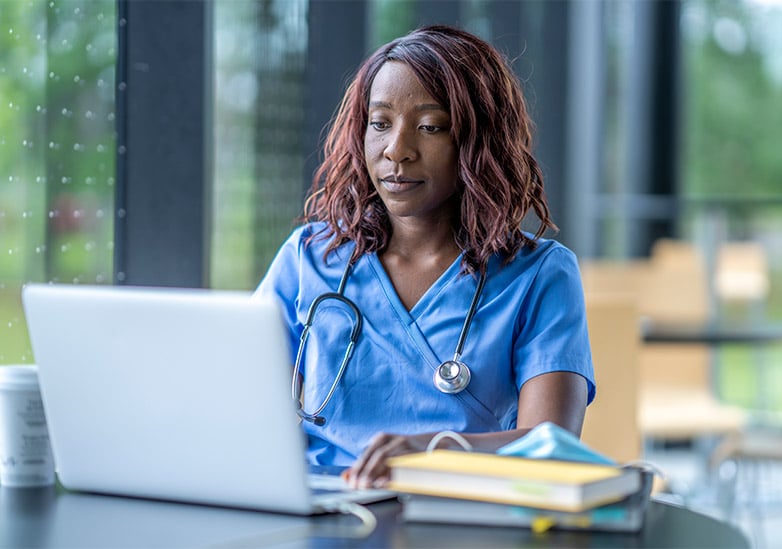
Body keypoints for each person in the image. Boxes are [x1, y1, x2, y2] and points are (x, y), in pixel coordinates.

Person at [255, 25, 595, 488]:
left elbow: (553, 448)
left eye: (430, 127)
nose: (396, 150)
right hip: (324, 510)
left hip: (459, 515)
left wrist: (432, 451)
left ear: (480, 142)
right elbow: (237, 408)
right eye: (380, 123)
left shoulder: (539, 276)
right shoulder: (310, 258)